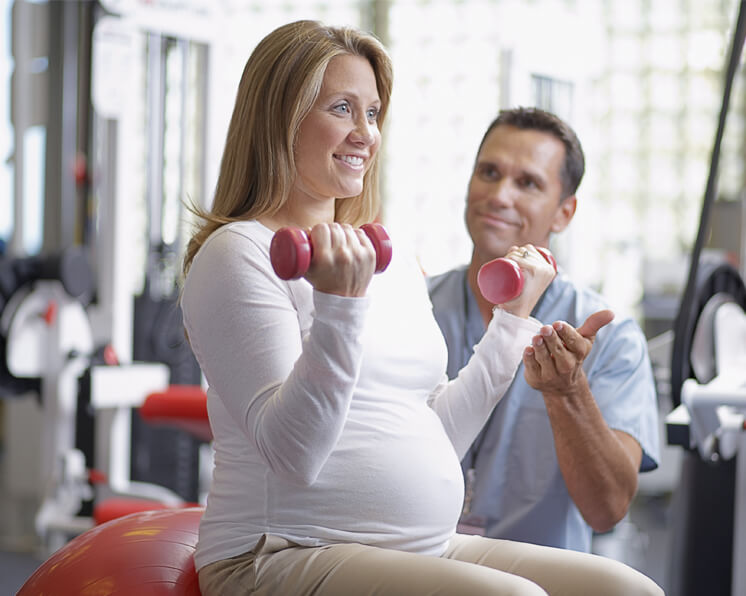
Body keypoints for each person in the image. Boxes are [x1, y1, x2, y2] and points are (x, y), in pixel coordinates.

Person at [180, 20, 663, 595]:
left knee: (629, 591)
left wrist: (512, 323)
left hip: (413, 546)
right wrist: (338, 305)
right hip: (281, 549)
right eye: (341, 108)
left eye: (373, 113)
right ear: (280, 115)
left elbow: (437, 435)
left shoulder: (387, 255)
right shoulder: (238, 253)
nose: (365, 133)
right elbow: (293, 454)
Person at [427, 107, 661, 554]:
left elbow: (607, 508)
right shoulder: (416, 307)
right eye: (489, 172)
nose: (499, 195)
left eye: (528, 183)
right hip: (419, 569)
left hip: (539, 576)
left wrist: (567, 392)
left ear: (563, 213)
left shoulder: (610, 336)